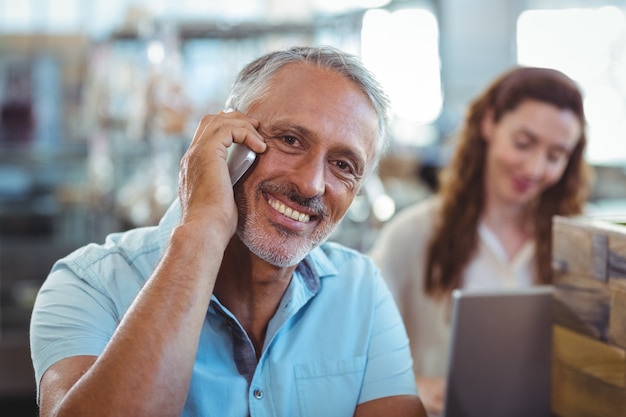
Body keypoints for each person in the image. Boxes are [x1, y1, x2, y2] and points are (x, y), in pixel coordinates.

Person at [29, 46, 427, 417]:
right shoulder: (91, 283)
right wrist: (203, 229)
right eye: (290, 140)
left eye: (343, 165)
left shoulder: (360, 288)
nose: (311, 185)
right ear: (226, 137)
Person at [368, 66, 591, 415]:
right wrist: (409, 384)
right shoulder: (412, 234)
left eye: (555, 155)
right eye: (524, 143)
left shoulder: (579, 243)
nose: (534, 169)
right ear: (489, 124)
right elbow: (358, 348)